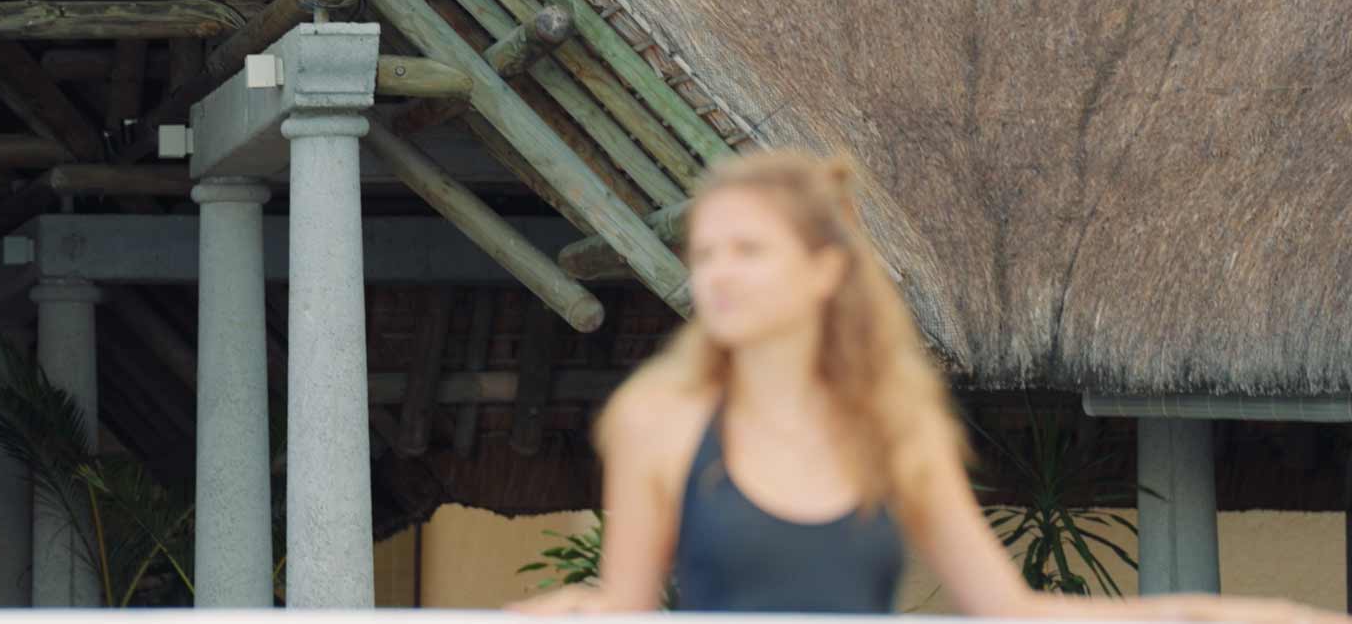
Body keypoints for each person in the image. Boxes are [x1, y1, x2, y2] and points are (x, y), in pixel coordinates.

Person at [508, 150, 1342, 622]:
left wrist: (1218, 614)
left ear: (824, 271)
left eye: (749, 251)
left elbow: (1013, 610)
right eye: (708, 252)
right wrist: (560, 608)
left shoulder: (894, 428)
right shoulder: (657, 420)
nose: (718, 272)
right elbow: (625, 606)